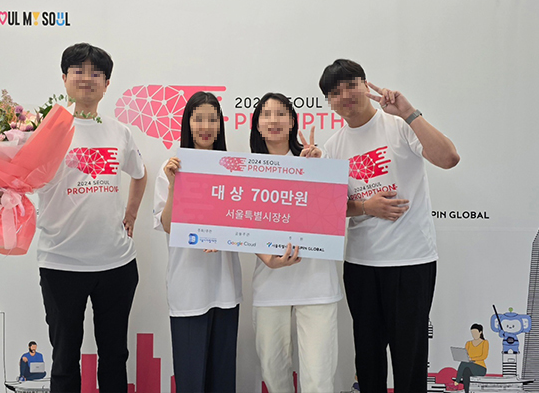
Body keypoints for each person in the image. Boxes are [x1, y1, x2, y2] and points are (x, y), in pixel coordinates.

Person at [0, 43, 147, 393]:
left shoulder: (119, 131)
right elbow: (14, 182)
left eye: (96, 73)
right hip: (61, 264)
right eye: (78, 70)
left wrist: (130, 213)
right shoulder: (43, 132)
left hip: (116, 264)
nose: (87, 78)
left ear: (107, 84)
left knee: (115, 356)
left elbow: (139, 173)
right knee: (65, 358)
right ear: (64, 78)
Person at [320, 59, 460, 392]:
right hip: (361, 265)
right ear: (329, 102)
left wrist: (409, 113)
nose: (345, 96)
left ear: (366, 85)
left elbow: (449, 158)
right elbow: (330, 209)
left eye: (351, 85)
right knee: (368, 360)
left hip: (411, 261)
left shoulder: (399, 125)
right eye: (335, 92)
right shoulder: (333, 146)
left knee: (410, 358)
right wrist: (366, 207)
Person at [249, 92, 343, 392]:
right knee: (273, 373)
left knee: (318, 378)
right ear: (257, 124)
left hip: (316, 283)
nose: (274, 120)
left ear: (292, 121)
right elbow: (243, 224)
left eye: (281, 113)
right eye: (266, 114)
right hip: (270, 284)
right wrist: (267, 259)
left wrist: (318, 169)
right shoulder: (247, 169)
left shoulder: (314, 160)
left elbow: (335, 210)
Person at [153, 91, 242, 393]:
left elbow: (243, 223)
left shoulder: (233, 168)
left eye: (212, 119)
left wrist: (222, 236)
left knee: (222, 382)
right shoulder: (171, 168)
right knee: (190, 382)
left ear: (220, 125)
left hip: (225, 288)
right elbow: (167, 225)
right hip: (189, 289)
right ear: (187, 123)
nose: (205, 126)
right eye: (198, 119)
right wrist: (174, 185)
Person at [455, 324, 489, 393]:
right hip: (469, 365)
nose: (474, 335)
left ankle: (457, 380)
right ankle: (466, 391)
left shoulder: (485, 342)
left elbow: (484, 356)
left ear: (480, 332)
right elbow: (465, 355)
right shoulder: (468, 343)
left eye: (475, 333)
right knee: (466, 371)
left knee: (464, 363)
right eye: (472, 333)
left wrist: (472, 359)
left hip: (480, 367)